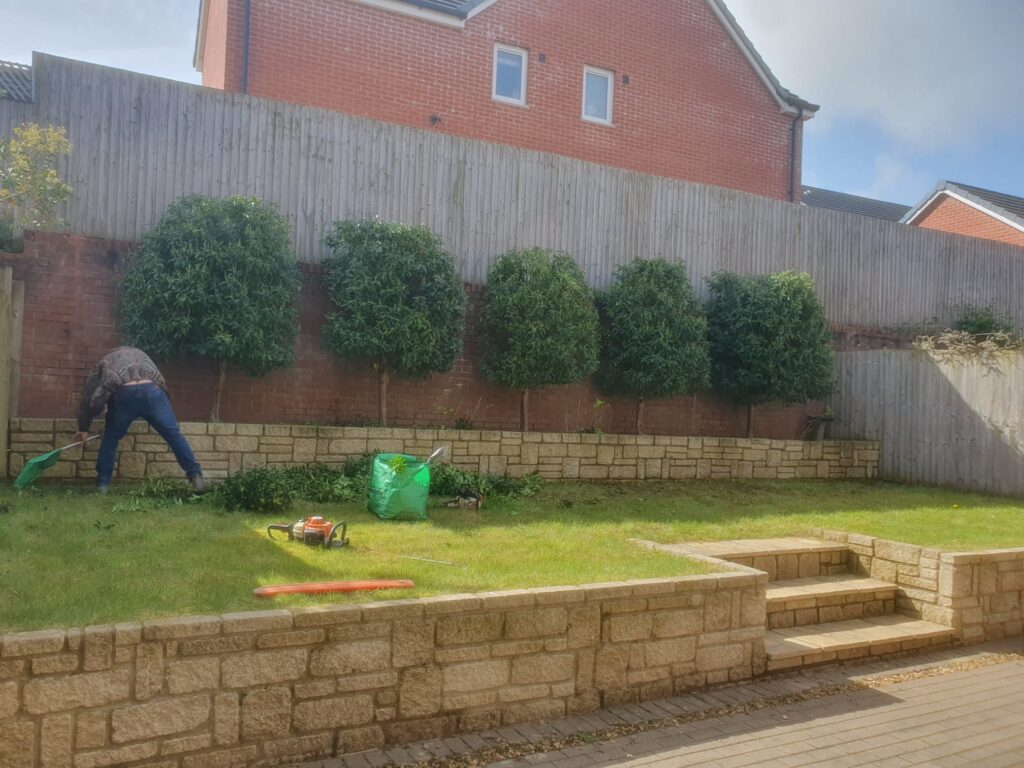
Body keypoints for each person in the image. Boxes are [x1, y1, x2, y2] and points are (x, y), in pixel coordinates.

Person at [73, 346, 205, 494]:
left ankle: (103, 485)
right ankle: (196, 476)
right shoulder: (142, 355)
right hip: (153, 392)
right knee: (173, 435)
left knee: (111, 438)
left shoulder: (105, 361)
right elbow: (161, 383)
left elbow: (90, 397)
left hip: (125, 394)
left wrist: (84, 428)